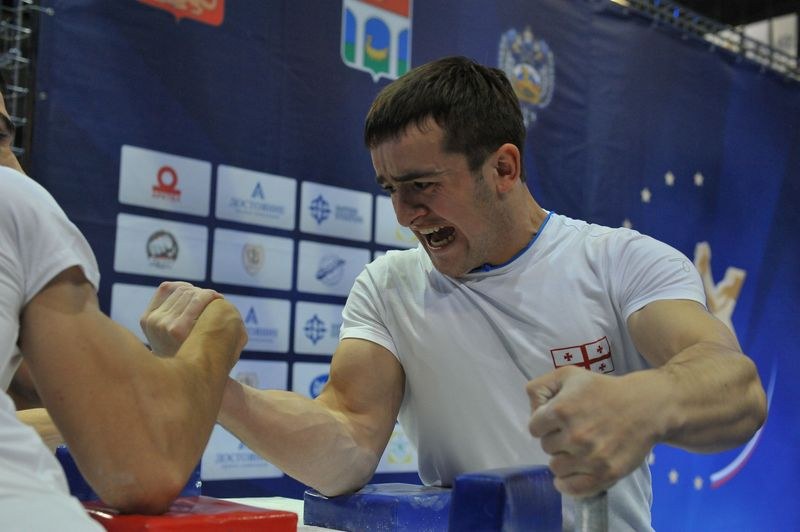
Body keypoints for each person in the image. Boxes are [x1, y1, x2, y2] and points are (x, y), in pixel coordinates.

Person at [192, 56, 766, 530]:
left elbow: (736, 386)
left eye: (422, 186)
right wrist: (212, 387)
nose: (405, 215)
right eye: (391, 189)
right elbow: (347, 445)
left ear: (504, 169)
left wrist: (640, 403)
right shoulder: (388, 286)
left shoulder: (620, 262)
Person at [0, 90, 248, 529]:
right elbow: (143, 465)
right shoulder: (14, 198)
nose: (16, 167)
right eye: (1, 138)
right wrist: (218, 329)